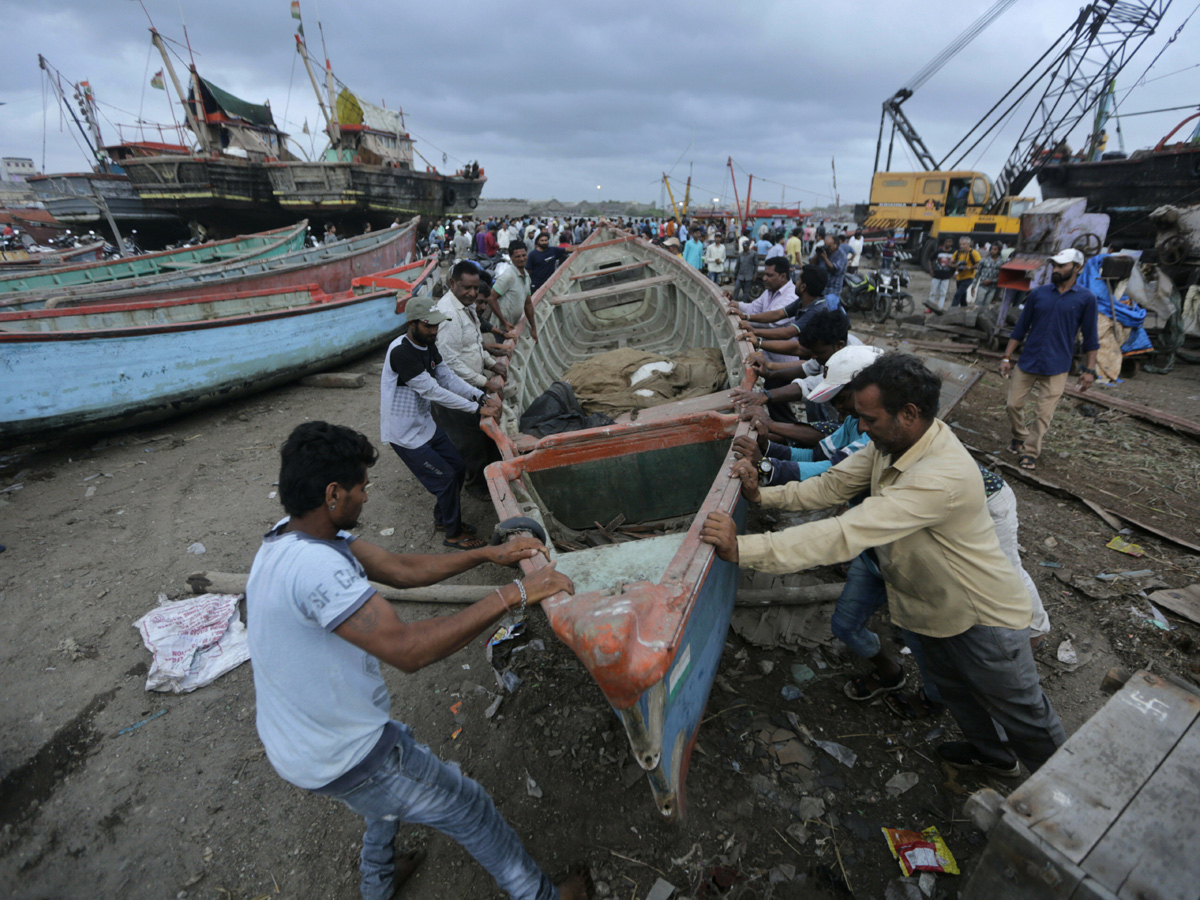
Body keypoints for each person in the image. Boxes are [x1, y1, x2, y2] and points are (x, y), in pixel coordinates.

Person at [246, 420, 591, 900]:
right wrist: (516, 592)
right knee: (468, 805)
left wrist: (488, 555)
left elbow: (401, 569)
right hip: (344, 753)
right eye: (361, 488)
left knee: (380, 804)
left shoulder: (291, 539)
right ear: (332, 494)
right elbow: (409, 650)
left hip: (299, 744)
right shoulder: (317, 568)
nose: (366, 498)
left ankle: (378, 883)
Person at [703, 353, 1066, 775]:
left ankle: (1060, 803)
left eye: (869, 418)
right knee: (958, 694)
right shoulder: (891, 444)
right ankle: (995, 757)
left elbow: (847, 532)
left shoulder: (938, 476)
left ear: (909, 414)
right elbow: (832, 485)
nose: (860, 427)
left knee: (1025, 715)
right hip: (929, 607)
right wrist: (764, 496)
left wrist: (745, 550)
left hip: (982, 617)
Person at [380, 296, 499, 550]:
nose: (434, 331)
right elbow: (433, 391)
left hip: (424, 424)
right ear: (411, 323)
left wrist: (480, 395)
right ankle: (453, 534)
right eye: (428, 326)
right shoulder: (401, 352)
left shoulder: (428, 344)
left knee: (457, 467)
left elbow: (446, 376)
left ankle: (444, 520)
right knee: (445, 478)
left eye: (436, 325)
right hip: (405, 434)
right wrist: (477, 409)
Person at [1001, 248, 1100, 470]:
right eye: (1054, 265)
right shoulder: (1039, 294)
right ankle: (1019, 435)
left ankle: (1030, 452)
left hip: (1057, 365)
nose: (1055, 269)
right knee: (1012, 404)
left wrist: (1089, 370)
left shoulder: (1086, 299)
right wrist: (1007, 357)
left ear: (1077, 268)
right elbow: (1020, 328)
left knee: (1043, 414)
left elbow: (1091, 338)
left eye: (1061, 266)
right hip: (1028, 361)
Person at [435, 262, 511, 497]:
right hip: (456, 388)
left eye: (475, 288)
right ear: (452, 284)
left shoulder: (467, 307)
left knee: (484, 434)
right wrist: (485, 381)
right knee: (471, 440)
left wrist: (490, 363)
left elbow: (474, 345)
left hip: (471, 385)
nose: (471, 293)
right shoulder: (448, 313)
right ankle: (477, 486)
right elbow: (450, 362)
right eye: (466, 287)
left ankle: (494, 476)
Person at [488, 242, 537, 342]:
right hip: (501, 328)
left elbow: (528, 304)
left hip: (512, 325)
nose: (522, 259)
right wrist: (504, 322)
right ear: (511, 257)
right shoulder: (508, 276)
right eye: (517, 256)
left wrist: (533, 328)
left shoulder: (526, 276)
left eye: (524, 255)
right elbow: (491, 298)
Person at [812, 233, 848, 301]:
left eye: (829, 246)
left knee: (830, 309)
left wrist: (825, 259)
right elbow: (811, 264)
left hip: (832, 290)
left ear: (836, 244)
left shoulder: (841, 255)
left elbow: (835, 269)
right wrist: (817, 254)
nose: (827, 248)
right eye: (825, 245)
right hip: (820, 288)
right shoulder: (824, 251)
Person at [951, 237, 981, 308]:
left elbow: (979, 263)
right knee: (962, 296)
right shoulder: (957, 253)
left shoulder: (973, 253)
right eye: (961, 244)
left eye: (964, 244)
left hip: (969, 277)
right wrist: (955, 266)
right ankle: (964, 309)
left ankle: (952, 309)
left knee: (958, 294)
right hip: (959, 277)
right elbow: (951, 262)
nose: (962, 246)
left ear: (969, 244)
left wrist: (969, 267)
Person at [928, 237, 954, 311]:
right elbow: (930, 259)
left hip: (947, 275)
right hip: (936, 274)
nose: (949, 243)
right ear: (944, 243)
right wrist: (930, 269)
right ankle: (930, 307)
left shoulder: (954, 252)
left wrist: (955, 272)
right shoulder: (938, 251)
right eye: (947, 241)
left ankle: (940, 308)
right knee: (933, 292)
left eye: (950, 241)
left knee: (943, 293)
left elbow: (957, 262)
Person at [975, 242, 1003, 307]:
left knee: (986, 305)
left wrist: (992, 280)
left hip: (993, 287)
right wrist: (974, 285)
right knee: (978, 303)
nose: (992, 251)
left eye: (995, 249)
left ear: (999, 251)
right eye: (991, 249)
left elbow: (1001, 276)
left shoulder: (1001, 262)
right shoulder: (984, 260)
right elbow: (977, 273)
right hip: (982, 285)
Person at [731, 239, 757, 304]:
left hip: (749, 275)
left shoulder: (753, 254)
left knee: (746, 291)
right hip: (740, 275)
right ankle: (734, 301)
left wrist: (755, 274)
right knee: (736, 288)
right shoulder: (740, 254)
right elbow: (737, 265)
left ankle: (743, 304)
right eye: (743, 246)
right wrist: (734, 275)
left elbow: (756, 265)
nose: (744, 247)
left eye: (746, 246)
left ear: (748, 246)